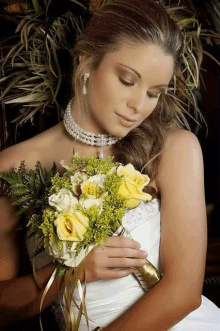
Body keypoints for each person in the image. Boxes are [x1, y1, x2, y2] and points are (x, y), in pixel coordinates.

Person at [0, 0, 220, 330]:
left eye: (154, 92)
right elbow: (3, 306)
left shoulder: (173, 149)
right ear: (86, 61)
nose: (138, 106)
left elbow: (184, 292)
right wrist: (67, 272)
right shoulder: (14, 167)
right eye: (128, 81)